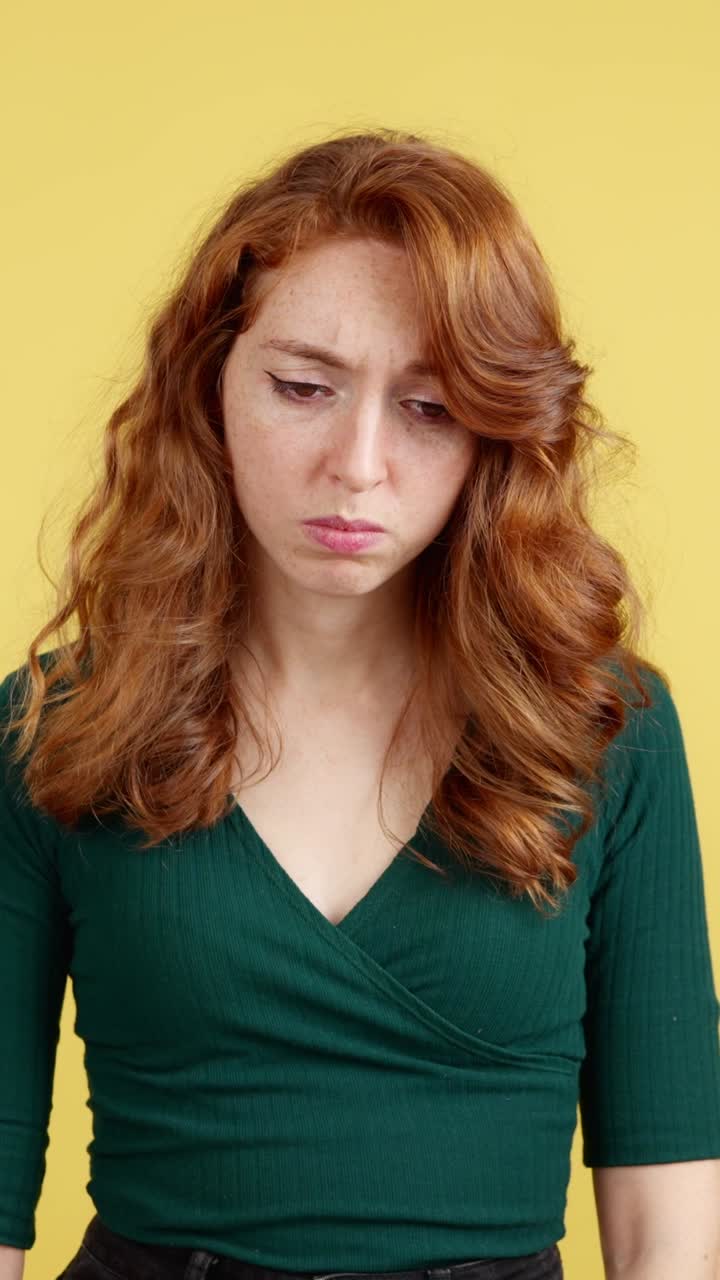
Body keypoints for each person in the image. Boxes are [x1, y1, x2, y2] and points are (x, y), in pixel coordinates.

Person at [1, 128, 719, 1280]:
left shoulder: (608, 729)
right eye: (302, 386)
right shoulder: (57, 726)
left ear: (497, 431)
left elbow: (669, 1218)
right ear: (210, 385)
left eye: (430, 407)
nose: (359, 461)